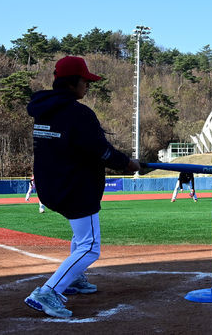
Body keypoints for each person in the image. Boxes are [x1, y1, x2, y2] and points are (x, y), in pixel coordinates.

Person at [23, 56, 141, 319]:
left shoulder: (44, 109)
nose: (88, 86)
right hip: (76, 188)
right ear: (71, 83)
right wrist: (128, 164)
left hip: (51, 186)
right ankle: (48, 292)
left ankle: (73, 278)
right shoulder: (79, 113)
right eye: (85, 81)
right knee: (89, 247)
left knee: (80, 237)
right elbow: (102, 152)